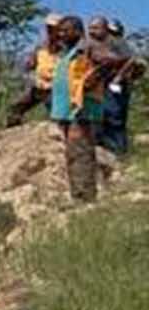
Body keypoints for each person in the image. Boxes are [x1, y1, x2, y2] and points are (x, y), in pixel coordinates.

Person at [46, 14, 116, 204]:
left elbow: (111, 61)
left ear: (77, 31)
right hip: (66, 110)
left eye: (65, 30)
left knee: (80, 151)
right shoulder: (67, 51)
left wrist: (93, 80)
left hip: (82, 109)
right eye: (59, 30)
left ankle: (85, 198)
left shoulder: (87, 47)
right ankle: (79, 194)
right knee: (72, 152)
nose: (61, 34)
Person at [90, 17, 138, 157]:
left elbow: (131, 59)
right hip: (109, 84)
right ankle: (111, 150)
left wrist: (118, 78)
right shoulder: (104, 44)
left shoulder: (118, 42)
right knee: (107, 116)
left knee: (113, 117)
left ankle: (118, 151)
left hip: (116, 85)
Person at [6, 20, 60, 125]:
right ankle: (12, 134)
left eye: (52, 27)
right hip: (37, 86)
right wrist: (29, 64)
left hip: (53, 88)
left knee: (56, 116)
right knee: (15, 109)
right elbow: (32, 64)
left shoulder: (63, 47)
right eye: (48, 27)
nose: (49, 30)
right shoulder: (41, 46)